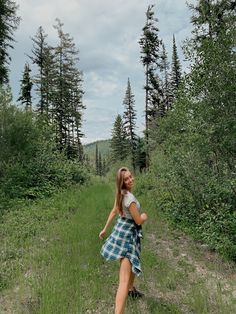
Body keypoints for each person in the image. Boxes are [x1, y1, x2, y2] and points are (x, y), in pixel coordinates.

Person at [99, 167, 148, 314]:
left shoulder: (121, 193)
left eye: (130, 176)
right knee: (123, 279)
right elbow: (138, 220)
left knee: (132, 262)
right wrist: (144, 216)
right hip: (128, 235)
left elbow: (115, 210)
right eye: (126, 179)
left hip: (121, 230)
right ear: (122, 182)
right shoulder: (130, 199)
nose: (130, 179)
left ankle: (131, 290)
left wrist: (105, 229)